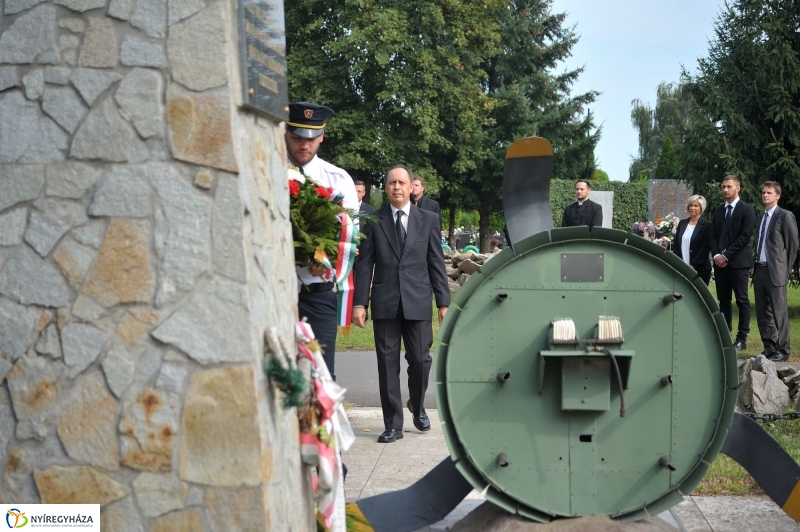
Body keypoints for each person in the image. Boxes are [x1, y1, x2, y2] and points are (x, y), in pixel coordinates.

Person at [353, 165, 450, 443]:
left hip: (418, 301)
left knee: (420, 361)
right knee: (387, 364)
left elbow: (436, 262)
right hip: (385, 302)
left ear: (411, 187)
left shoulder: (428, 219)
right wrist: (360, 303)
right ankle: (393, 424)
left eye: (402, 182)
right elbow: (365, 263)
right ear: (386, 188)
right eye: (392, 182)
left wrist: (443, 301)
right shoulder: (374, 219)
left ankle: (417, 406)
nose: (397, 186)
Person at [286, 101, 358, 380]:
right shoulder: (267, 171)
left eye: (311, 138)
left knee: (322, 378)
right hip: (277, 292)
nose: (304, 145)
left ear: (322, 136)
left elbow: (349, 237)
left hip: (317, 294)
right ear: (285, 133)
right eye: (296, 138)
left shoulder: (338, 179)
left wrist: (323, 260)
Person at [752, 181, 798, 362]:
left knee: (779, 313)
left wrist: (785, 268)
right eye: (763, 193)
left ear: (777, 196)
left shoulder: (785, 216)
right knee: (763, 313)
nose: (765, 195)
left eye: (769, 193)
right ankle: (769, 347)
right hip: (759, 270)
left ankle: (783, 350)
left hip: (776, 272)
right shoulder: (760, 217)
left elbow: (793, 245)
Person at [708, 175, 756, 351]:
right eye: (723, 187)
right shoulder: (719, 210)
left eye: (729, 187)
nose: (725, 190)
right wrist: (717, 255)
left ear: (738, 188)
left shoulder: (747, 210)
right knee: (724, 301)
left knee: (742, 301)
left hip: (738, 263)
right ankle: (725, 337)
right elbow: (712, 234)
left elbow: (744, 237)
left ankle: (741, 339)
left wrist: (725, 255)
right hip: (720, 264)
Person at [671, 195, 712, 285]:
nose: (692, 208)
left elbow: (705, 248)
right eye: (691, 205)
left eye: (696, 206)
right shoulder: (682, 223)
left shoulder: (707, 225)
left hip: (700, 270)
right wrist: (679, 263)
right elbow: (676, 244)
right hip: (681, 268)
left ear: (701, 208)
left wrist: (693, 265)